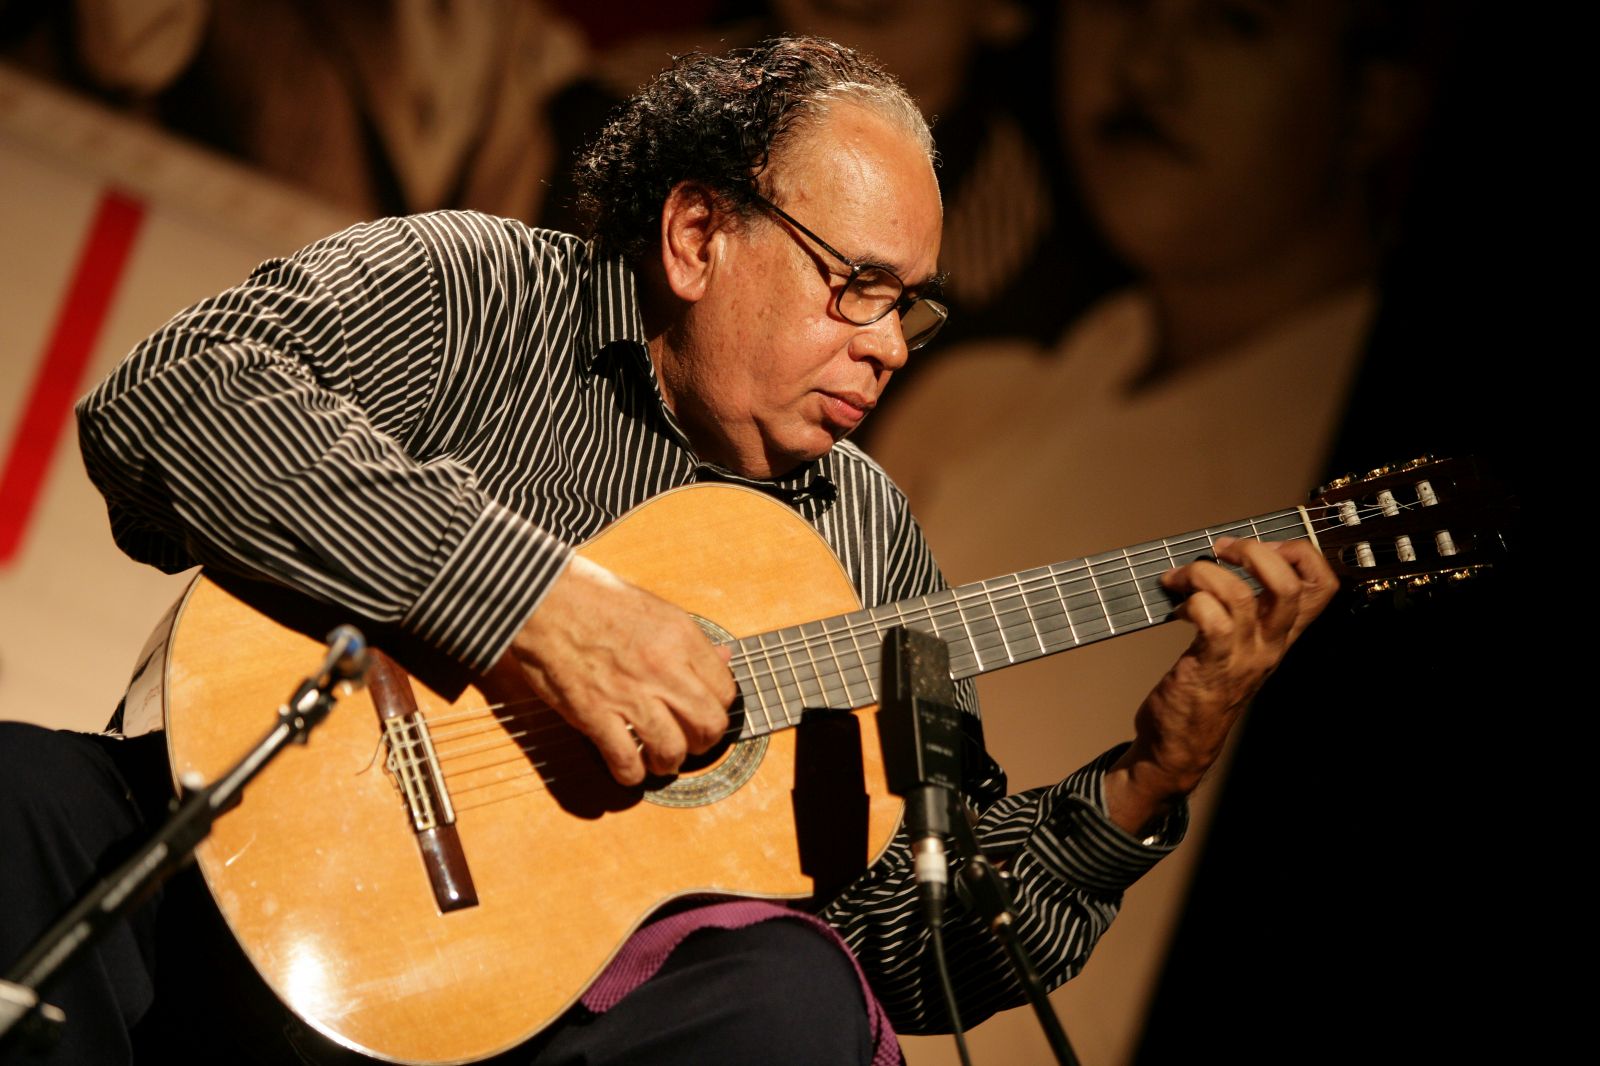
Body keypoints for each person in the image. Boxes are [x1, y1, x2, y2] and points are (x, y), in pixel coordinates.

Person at [1, 36, 1335, 1066]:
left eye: (907, 309)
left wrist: (1146, 779)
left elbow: (907, 946)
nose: (884, 342)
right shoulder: (484, 296)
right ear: (699, 234)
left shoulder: (864, 537)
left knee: (798, 998)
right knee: (16, 792)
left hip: (522, 1034)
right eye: (854, 286)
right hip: (218, 890)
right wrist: (532, 605)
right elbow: (171, 400)